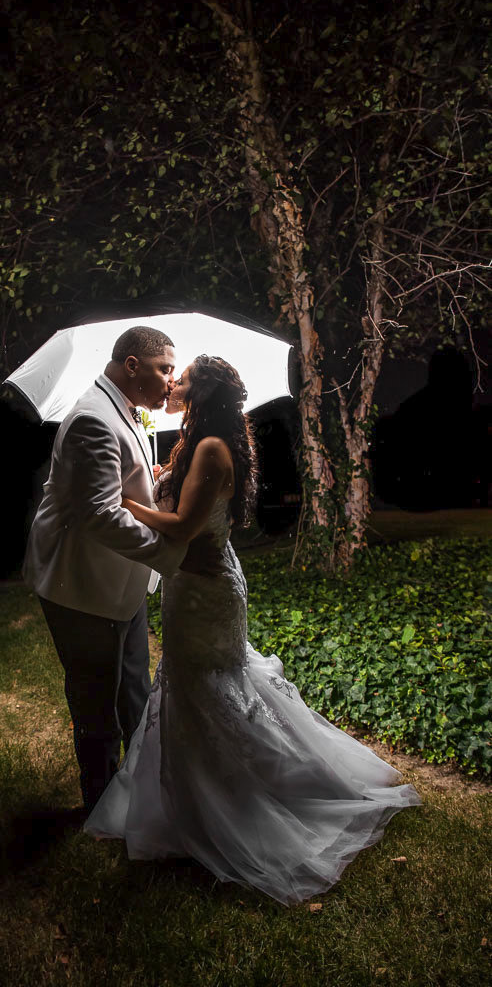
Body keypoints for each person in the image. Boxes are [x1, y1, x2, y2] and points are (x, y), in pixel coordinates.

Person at [84, 355, 421, 906]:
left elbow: (184, 525)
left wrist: (122, 504)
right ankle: (193, 800)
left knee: (210, 689)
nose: (172, 382)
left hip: (206, 591)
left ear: (202, 393)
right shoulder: (195, 441)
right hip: (187, 584)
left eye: (181, 377)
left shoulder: (213, 448)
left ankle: (240, 801)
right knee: (195, 691)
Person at [23, 326, 188, 813]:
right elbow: (98, 514)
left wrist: (154, 482)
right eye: (164, 369)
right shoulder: (93, 418)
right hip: (82, 586)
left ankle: (138, 790)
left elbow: (124, 485)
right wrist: (167, 553)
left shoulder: (127, 410)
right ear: (132, 365)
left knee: (134, 689)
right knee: (96, 703)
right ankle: (99, 802)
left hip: (123, 584)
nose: (171, 381)